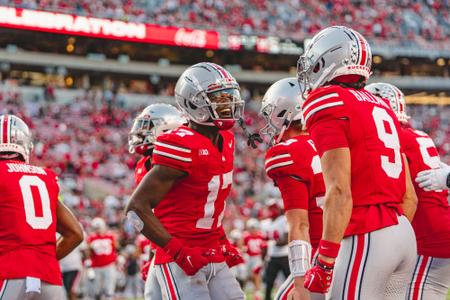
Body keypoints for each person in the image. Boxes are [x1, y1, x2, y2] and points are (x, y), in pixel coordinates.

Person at [298, 26, 418, 299]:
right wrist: (391, 235)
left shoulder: (327, 100)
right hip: (402, 233)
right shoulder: (382, 106)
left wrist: (325, 260)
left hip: (367, 231)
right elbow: (409, 197)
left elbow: (339, 191)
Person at [125, 62, 245, 300]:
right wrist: (178, 252)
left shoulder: (227, 140)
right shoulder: (179, 144)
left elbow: (205, 203)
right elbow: (136, 210)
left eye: (230, 97)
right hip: (181, 255)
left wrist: (222, 240)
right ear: (193, 102)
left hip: (211, 249)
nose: (228, 104)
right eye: (219, 98)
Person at [366, 82, 450, 299]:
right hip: (438, 229)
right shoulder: (417, 136)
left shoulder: (393, 139)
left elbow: (405, 199)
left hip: (428, 239)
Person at [0, 114, 83, 299]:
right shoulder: (45, 176)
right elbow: (75, 233)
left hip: (8, 271)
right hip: (48, 278)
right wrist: (44, 259)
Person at [259, 78, 324, 300]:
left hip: (319, 252)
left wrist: (300, 279)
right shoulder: (332, 140)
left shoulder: (287, 153)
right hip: (354, 245)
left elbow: (299, 224)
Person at [128, 103, 186, 300]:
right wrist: (154, 251)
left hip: (181, 242)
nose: (139, 132)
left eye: (147, 127)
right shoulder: (145, 162)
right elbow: (155, 213)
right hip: (164, 243)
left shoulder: (172, 160)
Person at [86, 217, 118, 300]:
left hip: (109, 264)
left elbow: (116, 249)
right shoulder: (91, 238)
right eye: (96, 228)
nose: (98, 230)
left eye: (99, 227)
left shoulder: (110, 236)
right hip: (96, 266)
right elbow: (88, 253)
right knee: (97, 289)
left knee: (110, 287)